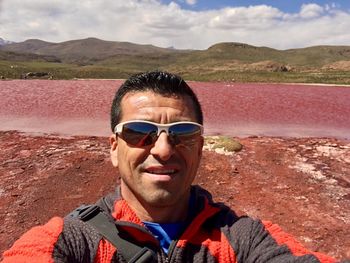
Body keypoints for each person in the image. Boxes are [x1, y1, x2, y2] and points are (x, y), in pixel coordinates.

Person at [2, 71, 348, 263]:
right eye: (140, 132)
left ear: (199, 148)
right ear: (113, 147)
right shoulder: (74, 240)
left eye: (182, 133)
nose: (164, 150)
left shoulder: (242, 239)